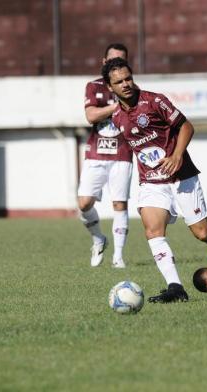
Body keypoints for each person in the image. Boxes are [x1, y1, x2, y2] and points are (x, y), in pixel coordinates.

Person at [102, 57, 207, 303]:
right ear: (110, 87)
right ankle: (176, 288)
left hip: (182, 177)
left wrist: (177, 155)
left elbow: (186, 126)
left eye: (128, 78)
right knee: (153, 231)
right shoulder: (117, 116)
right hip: (151, 182)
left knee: (203, 233)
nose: (126, 84)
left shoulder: (154, 100)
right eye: (119, 82)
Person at [78, 43, 133, 269]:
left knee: (119, 204)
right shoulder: (93, 86)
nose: (116, 65)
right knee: (84, 203)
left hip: (122, 154)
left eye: (121, 61)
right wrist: (116, 107)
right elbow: (91, 115)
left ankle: (118, 257)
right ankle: (99, 238)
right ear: (103, 62)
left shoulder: (132, 88)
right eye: (112, 60)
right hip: (96, 153)